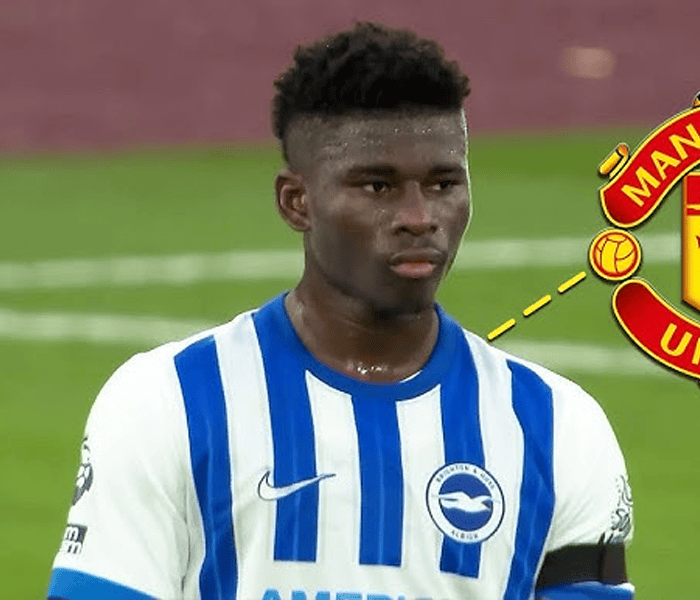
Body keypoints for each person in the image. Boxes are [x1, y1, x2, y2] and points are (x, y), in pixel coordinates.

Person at [46, 22, 634, 600]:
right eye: (378, 187)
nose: (419, 217)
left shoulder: (559, 429)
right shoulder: (166, 402)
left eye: (443, 184)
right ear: (296, 202)